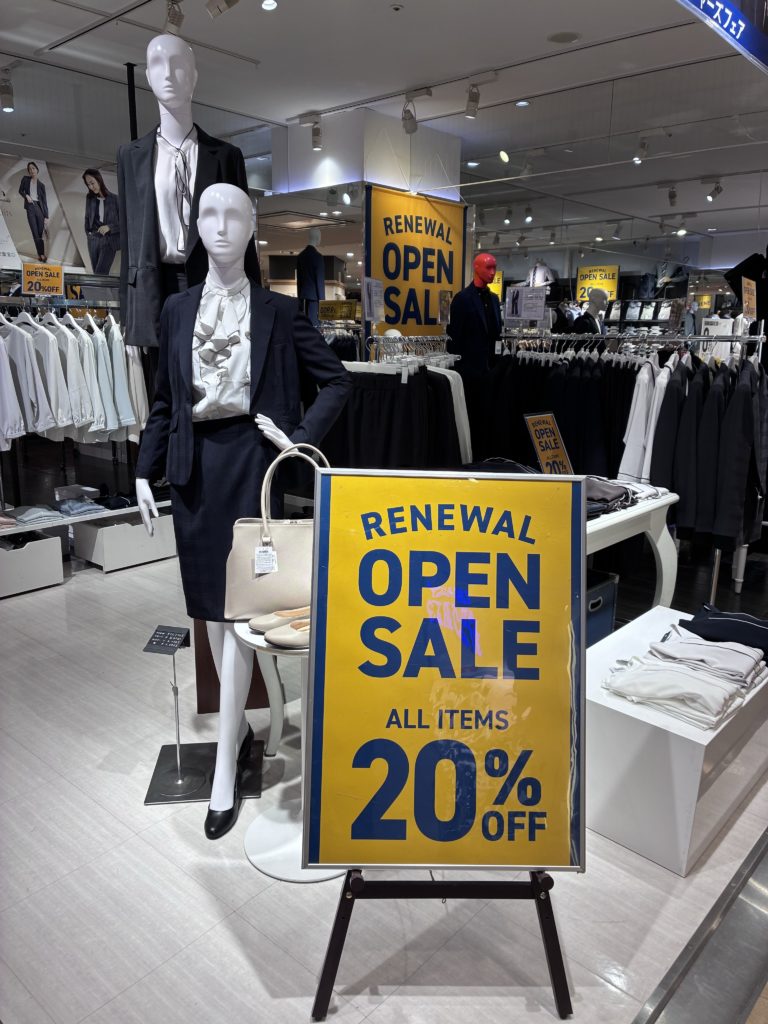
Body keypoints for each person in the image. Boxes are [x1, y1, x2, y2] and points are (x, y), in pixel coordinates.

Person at [135, 183, 351, 839]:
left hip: (252, 469)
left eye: (234, 214)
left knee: (237, 620)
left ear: (253, 225)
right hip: (192, 474)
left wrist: (296, 440)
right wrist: (144, 469)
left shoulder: (278, 312)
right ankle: (236, 739)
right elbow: (165, 400)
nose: (221, 225)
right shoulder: (177, 310)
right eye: (209, 213)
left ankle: (226, 770)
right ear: (195, 225)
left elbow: (336, 381)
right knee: (211, 615)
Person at [83, 169, 120, 275]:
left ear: (99, 180)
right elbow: (87, 217)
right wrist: (89, 234)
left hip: (109, 240)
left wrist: (109, 227)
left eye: (92, 183)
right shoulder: (89, 198)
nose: (91, 187)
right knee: (97, 275)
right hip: (93, 240)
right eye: (88, 184)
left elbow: (124, 222)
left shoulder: (115, 199)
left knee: (101, 274)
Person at [18, 161, 48, 261]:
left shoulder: (42, 185)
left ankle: (40, 254)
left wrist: (46, 216)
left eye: (33, 168)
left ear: (37, 170)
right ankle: (41, 254)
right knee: (35, 232)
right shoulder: (25, 179)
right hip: (30, 207)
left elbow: (44, 201)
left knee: (39, 233)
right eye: (30, 169)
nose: (32, 170)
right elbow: (20, 190)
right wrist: (26, 196)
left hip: (39, 209)